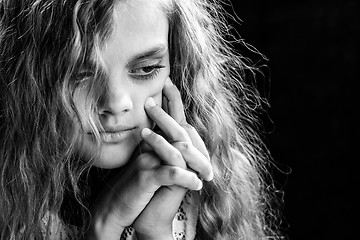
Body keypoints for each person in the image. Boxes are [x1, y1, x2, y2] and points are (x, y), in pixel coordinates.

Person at [0, 0, 281, 239]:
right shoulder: (9, 198)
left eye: (146, 69)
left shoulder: (212, 185)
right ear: (30, 80)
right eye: (79, 74)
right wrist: (105, 226)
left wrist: (155, 230)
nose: (116, 103)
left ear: (178, 66)